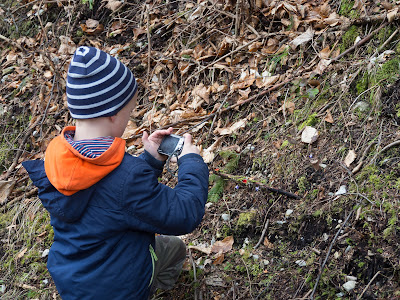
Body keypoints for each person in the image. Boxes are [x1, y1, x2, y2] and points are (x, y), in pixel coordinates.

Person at [22, 46, 209, 299]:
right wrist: (191, 162)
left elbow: (112, 201)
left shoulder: (56, 161)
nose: (129, 119)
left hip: (76, 283)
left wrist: (151, 161)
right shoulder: (126, 177)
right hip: (121, 290)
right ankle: (154, 288)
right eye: (128, 112)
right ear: (112, 114)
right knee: (174, 248)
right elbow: (185, 214)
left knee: (166, 247)